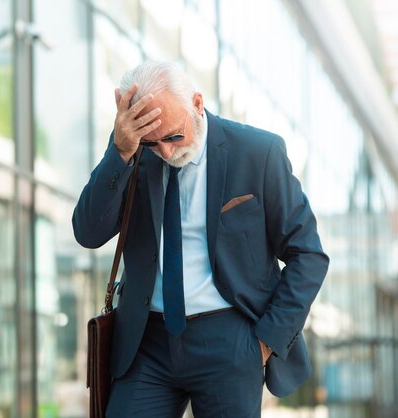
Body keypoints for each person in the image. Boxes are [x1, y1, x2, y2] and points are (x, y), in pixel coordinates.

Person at [72, 61, 329, 417]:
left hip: (230, 339)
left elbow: (308, 255)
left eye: (174, 136)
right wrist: (120, 152)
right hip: (147, 343)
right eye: (152, 141)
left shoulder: (258, 153)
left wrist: (265, 341)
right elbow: (88, 233)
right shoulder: (133, 152)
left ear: (196, 103)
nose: (164, 151)